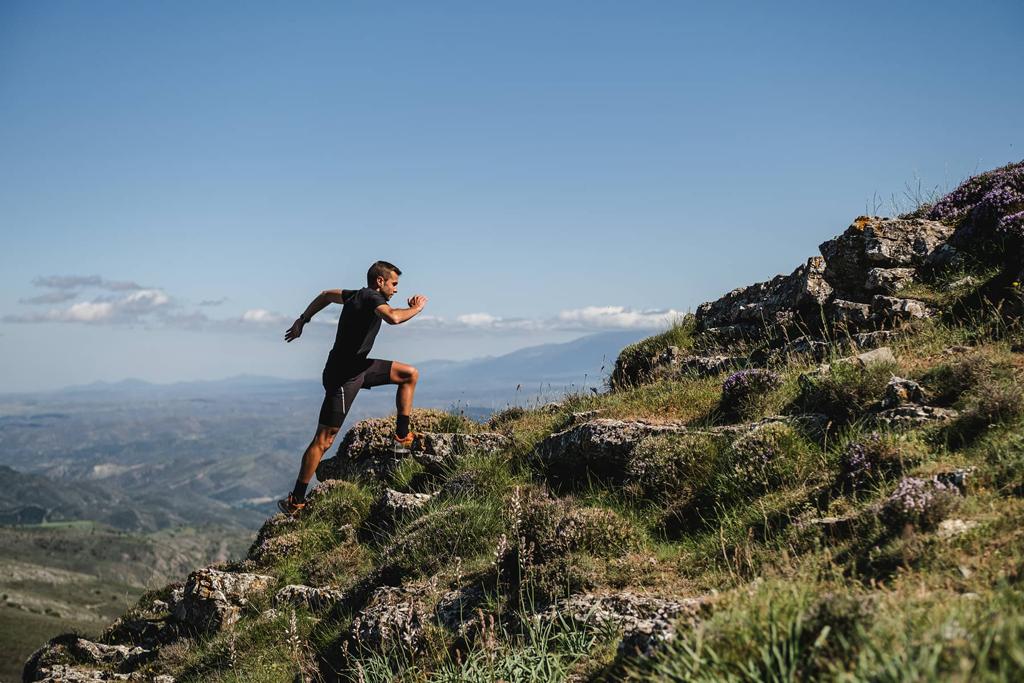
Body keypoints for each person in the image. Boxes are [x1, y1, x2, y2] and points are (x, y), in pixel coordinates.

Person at [277, 260, 428, 515]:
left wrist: (303, 319)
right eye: (394, 284)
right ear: (380, 281)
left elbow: (326, 295)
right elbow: (392, 318)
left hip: (359, 367)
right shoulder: (371, 297)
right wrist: (417, 308)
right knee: (324, 440)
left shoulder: (355, 295)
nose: (396, 289)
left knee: (408, 374)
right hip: (343, 377)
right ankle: (296, 501)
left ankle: (401, 438)